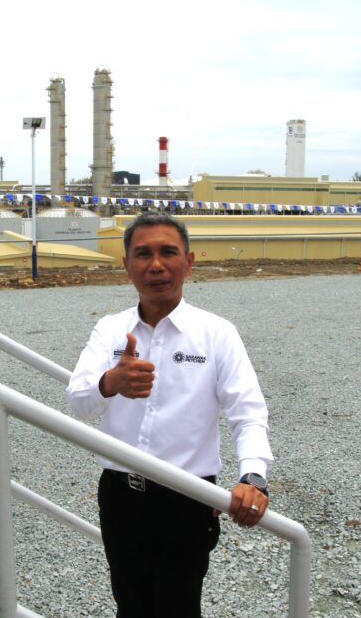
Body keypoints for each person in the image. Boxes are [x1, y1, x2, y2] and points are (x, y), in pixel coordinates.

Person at [66, 212, 273, 618]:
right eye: (143, 254)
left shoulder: (216, 333)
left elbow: (247, 411)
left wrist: (253, 476)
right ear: (127, 265)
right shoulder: (110, 330)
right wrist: (110, 382)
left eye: (168, 252)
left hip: (188, 499)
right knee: (130, 604)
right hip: (120, 496)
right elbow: (78, 402)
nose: (156, 265)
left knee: (179, 606)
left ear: (189, 262)